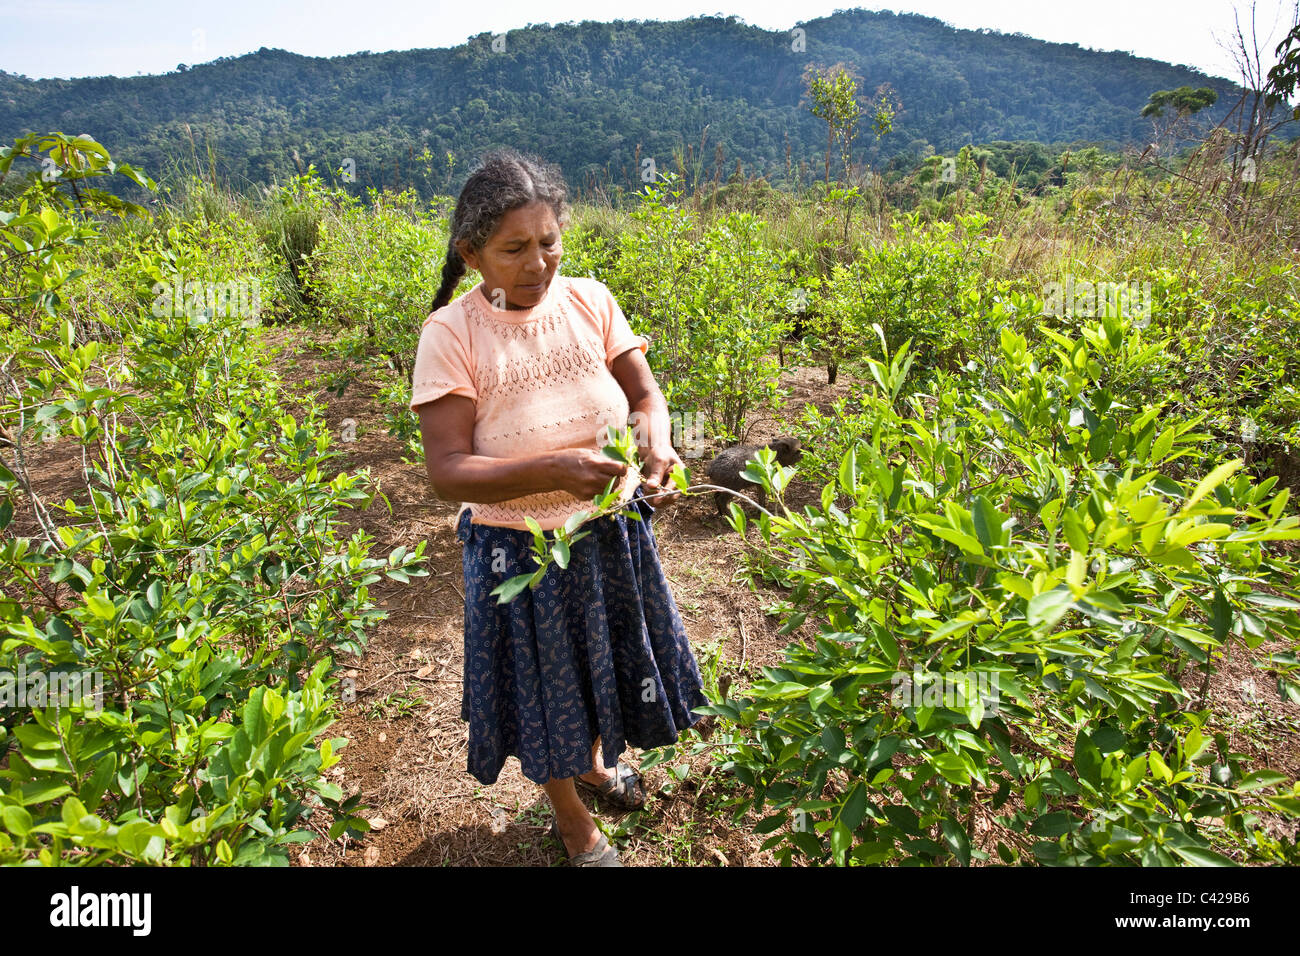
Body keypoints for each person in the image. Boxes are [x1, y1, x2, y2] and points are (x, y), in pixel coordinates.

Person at [410, 147, 708, 867]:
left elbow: (644, 396)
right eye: (514, 249)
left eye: (549, 243)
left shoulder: (591, 300)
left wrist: (656, 444)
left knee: (600, 667)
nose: (537, 264)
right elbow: (447, 472)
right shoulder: (451, 335)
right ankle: (573, 819)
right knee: (546, 694)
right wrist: (553, 469)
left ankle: (595, 763)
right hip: (524, 552)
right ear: (471, 252)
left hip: (609, 536)